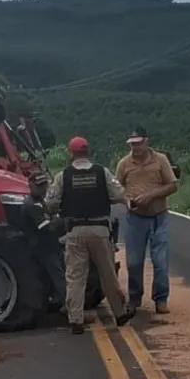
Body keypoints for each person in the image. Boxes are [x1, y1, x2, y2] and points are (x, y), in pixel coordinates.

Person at [45, 136, 135, 334]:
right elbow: (120, 194)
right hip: (100, 229)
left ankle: (75, 320)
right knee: (108, 274)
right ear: (88, 151)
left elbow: (50, 203)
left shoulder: (63, 176)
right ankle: (120, 314)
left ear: (71, 153)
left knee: (75, 277)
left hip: (75, 231)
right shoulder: (102, 172)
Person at [115, 126, 178, 314]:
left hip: (159, 216)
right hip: (135, 217)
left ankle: (161, 298)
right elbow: (117, 188)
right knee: (133, 261)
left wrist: (151, 195)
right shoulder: (124, 164)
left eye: (139, 143)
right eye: (132, 144)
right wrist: (126, 200)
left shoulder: (160, 160)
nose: (135, 148)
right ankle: (135, 297)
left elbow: (172, 185)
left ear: (146, 141)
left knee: (160, 260)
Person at [22, 171, 67, 310]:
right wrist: (61, 219)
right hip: (43, 248)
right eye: (39, 186)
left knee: (59, 275)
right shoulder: (32, 205)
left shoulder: (39, 202)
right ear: (31, 186)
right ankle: (68, 305)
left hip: (49, 247)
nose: (43, 188)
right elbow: (46, 228)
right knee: (59, 277)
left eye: (44, 185)